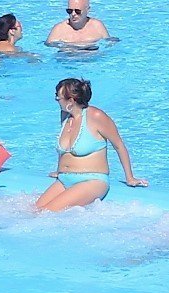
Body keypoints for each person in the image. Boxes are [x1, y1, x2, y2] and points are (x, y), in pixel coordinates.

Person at [35, 77, 145, 211]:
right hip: (64, 179)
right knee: (33, 211)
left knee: (46, 214)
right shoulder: (65, 116)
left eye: (58, 98)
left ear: (70, 101)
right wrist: (60, 171)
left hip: (92, 180)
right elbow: (65, 151)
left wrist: (130, 177)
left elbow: (118, 145)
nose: (56, 100)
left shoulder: (96, 116)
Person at [46, 0, 113, 48]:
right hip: (67, 60)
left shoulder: (97, 26)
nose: (73, 14)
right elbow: (47, 48)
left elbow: (109, 44)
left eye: (77, 11)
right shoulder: (59, 29)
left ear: (87, 10)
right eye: (69, 11)